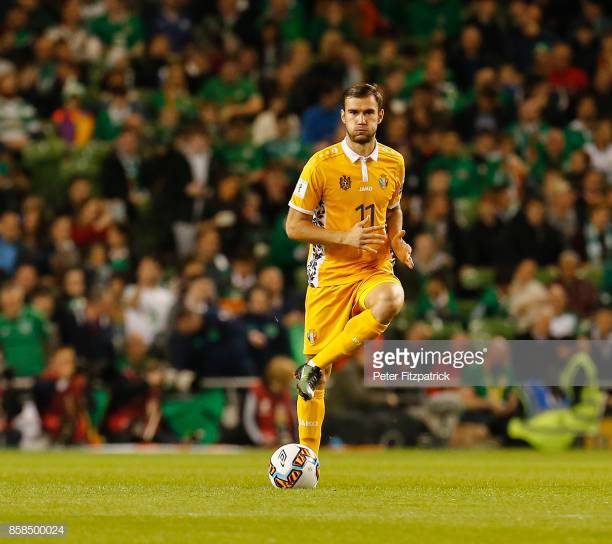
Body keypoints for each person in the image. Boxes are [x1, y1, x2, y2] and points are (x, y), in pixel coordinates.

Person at [285, 83, 414, 454]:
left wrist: (396, 239)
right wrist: (346, 237)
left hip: (373, 269)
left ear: (380, 116)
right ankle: (308, 458)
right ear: (343, 117)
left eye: (368, 112)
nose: (361, 119)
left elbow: (393, 208)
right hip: (329, 273)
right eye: (354, 112)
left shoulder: (395, 162)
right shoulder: (321, 165)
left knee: (392, 298)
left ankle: (314, 365)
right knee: (319, 378)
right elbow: (294, 226)